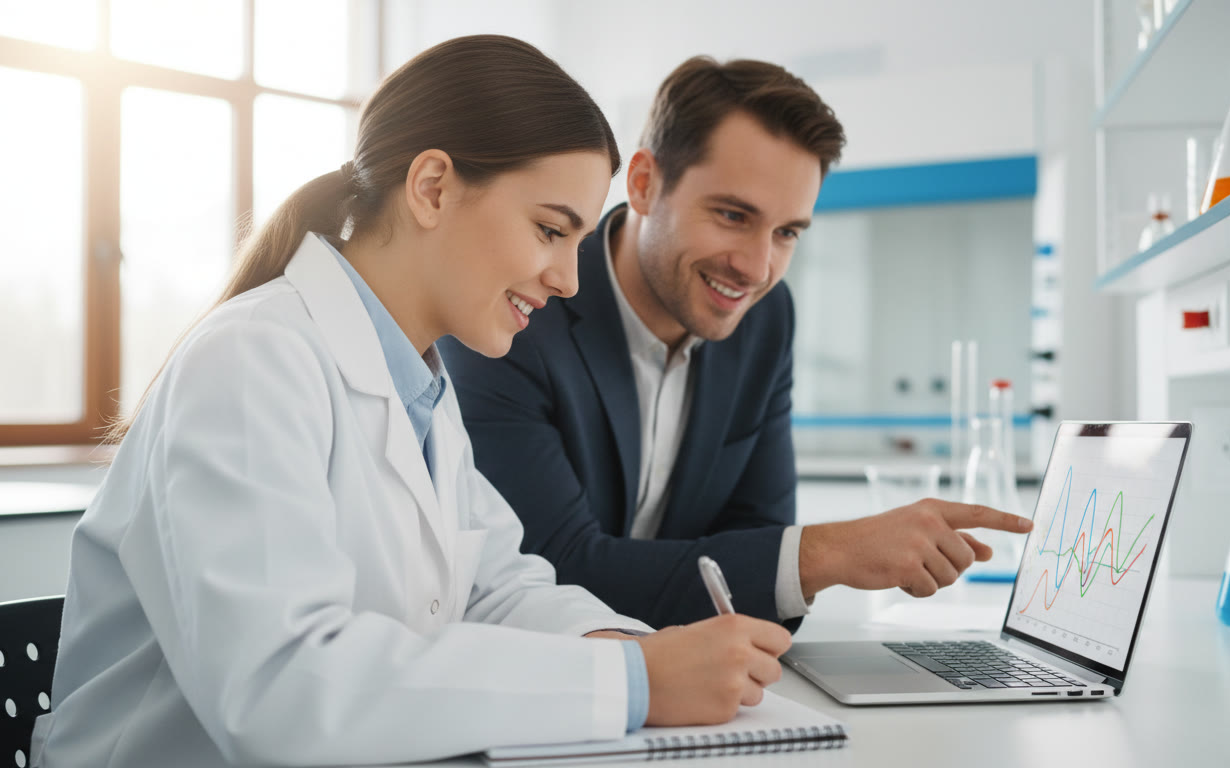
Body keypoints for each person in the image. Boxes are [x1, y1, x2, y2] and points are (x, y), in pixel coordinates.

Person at [31, 36, 791, 768]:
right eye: (550, 230)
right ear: (433, 188)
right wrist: (634, 685)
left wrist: (637, 654)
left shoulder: (419, 387)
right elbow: (281, 685)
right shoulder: (253, 360)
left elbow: (497, 585)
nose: (569, 280)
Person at [439, 56, 1032, 630]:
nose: (756, 267)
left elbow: (755, 534)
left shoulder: (765, 318)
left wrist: (789, 563)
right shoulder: (522, 306)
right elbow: (547, 575)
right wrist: (824, 554)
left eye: (787, 233)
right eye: (731, 215)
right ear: (644, 184)